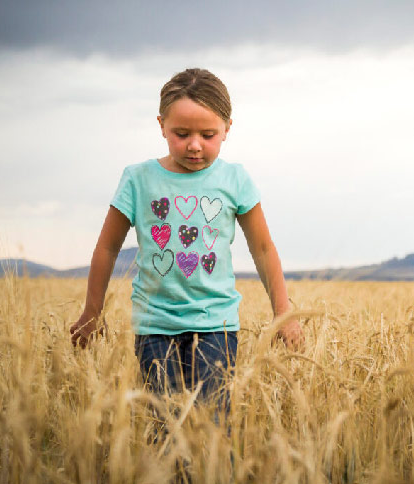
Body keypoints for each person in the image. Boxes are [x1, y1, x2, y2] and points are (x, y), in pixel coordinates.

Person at [69, 68, 303, 411]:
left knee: (211, 424)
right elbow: (107, 247)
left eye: (208, 134)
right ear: (161, 125)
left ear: (227, 129)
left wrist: (283, 312)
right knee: (164, 424)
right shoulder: (138, 179)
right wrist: (92, 310)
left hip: (216, 325)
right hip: (154, 326)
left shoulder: (234, 179)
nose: (194, 145)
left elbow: (263, 249)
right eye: (181, 133)